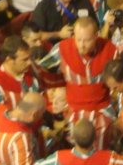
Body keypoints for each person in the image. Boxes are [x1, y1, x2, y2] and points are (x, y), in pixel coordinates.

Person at [39, 17, 118, 148]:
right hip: (72, 109)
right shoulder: (62, 48)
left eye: (87, 40)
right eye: (78, 39)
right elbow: (41, 69)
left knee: (104, 144)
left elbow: (119, 81)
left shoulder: (110, 50)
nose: (82, 44)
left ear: (96, 36)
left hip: (102, 109)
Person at [0, 36, 41, 109]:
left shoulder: (31, 72)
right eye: (24, 60)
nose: (29, 62)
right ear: (9, 60)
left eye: (29, 58)